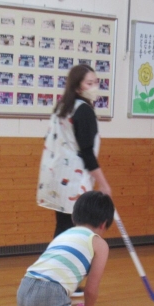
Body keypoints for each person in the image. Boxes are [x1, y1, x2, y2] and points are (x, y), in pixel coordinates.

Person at [51, 64, 112, 239]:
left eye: (96, 82)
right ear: (77, 87)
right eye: (89, 83)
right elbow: (87, 152)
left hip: (59, 178)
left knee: (64, 229)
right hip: (75, 181)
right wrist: (104, 184)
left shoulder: (62, 107)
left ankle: (57, 257)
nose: (94, 87)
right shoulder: (84, 111)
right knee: (76, 232)